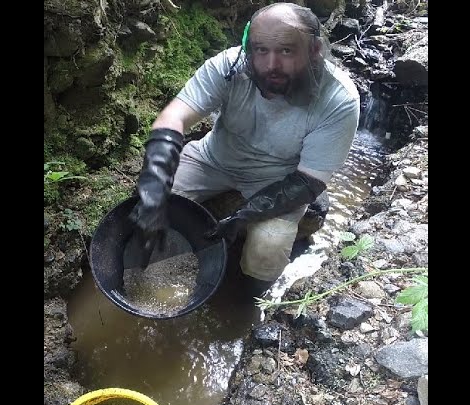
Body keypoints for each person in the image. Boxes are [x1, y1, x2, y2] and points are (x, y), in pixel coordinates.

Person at [129, 2, 360, 298]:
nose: (270, 65)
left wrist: (243, 217)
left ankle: (250, 301)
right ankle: (144, 282)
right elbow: (173, 117)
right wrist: (154, 187)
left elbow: (310, 180)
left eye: (287, 51)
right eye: (260, 50)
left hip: (280, 177)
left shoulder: (339, 98)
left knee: (269, 244)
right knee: (148, 210)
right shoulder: (230, 66)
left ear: (314, 50)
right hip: (212, 158)